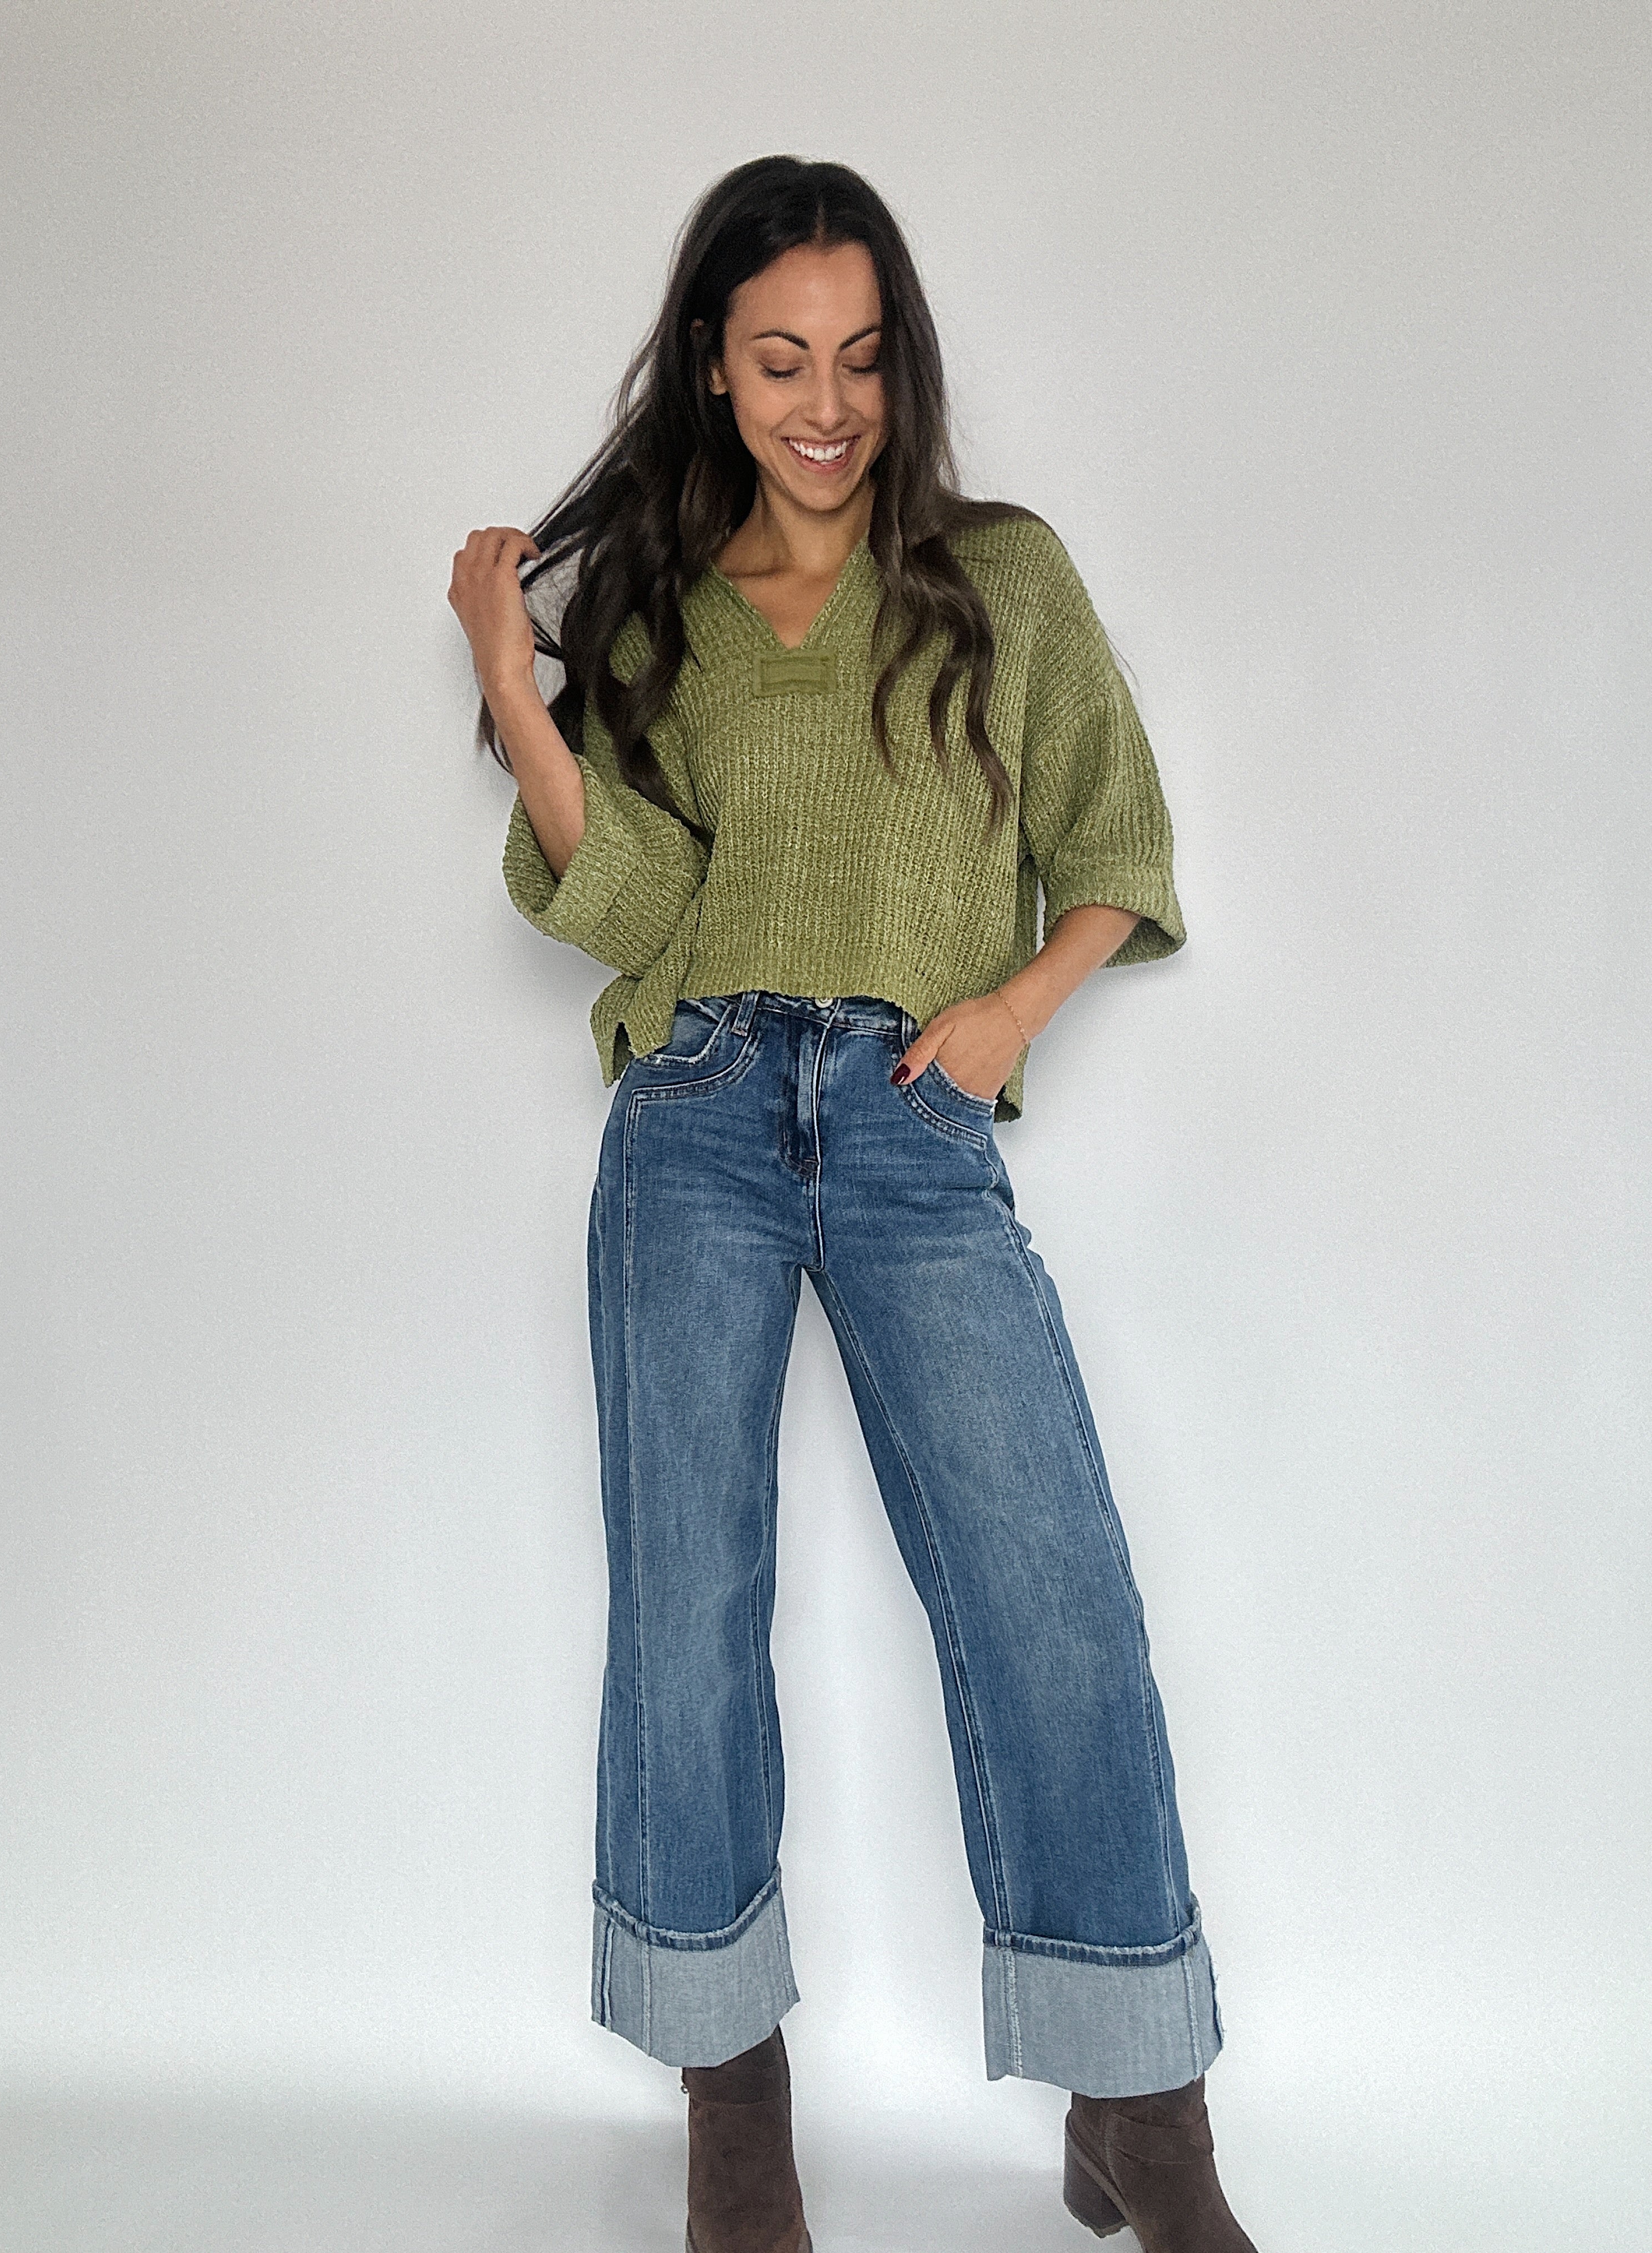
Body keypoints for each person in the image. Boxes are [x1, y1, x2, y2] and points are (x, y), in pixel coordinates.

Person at [448, 154, 1257, 2253]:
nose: (828, 404)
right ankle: (738, 2114)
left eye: (864, 358)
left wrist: (1005, 1004)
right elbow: (622, 898)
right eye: (782, 358)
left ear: (904, 366)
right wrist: (516, 681)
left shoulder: (1003, 574)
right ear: (712, 368)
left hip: (915, 1122)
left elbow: (1119, 841)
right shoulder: (655, 608)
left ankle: (1141, 2114)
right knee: (691, 1612)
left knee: (1048, 1592)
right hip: (699, 1109)